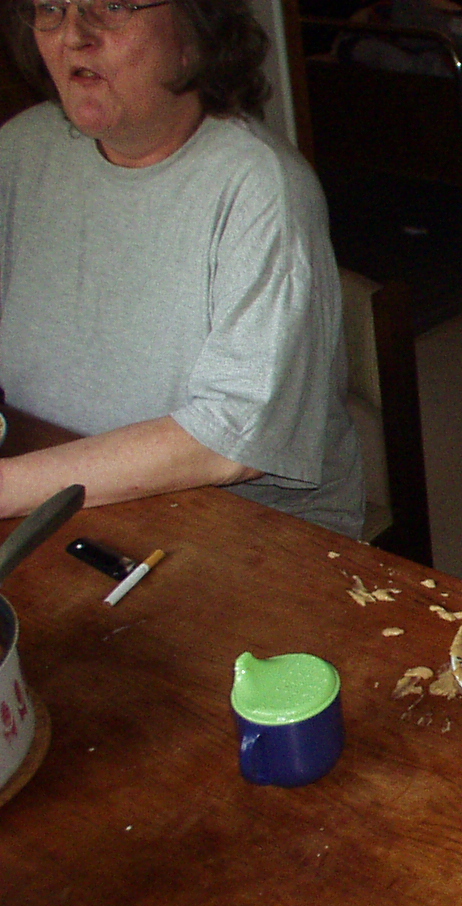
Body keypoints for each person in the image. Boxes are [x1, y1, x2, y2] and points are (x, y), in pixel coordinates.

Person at [0, 0, 363, 536]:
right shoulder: (21, 149)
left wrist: (6, 488)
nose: (73, 36)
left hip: (242, 531)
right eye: (52, 7)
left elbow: (229, 441)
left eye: (111, 6)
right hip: (54, 488)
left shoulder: (261, 186)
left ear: (196, 34)